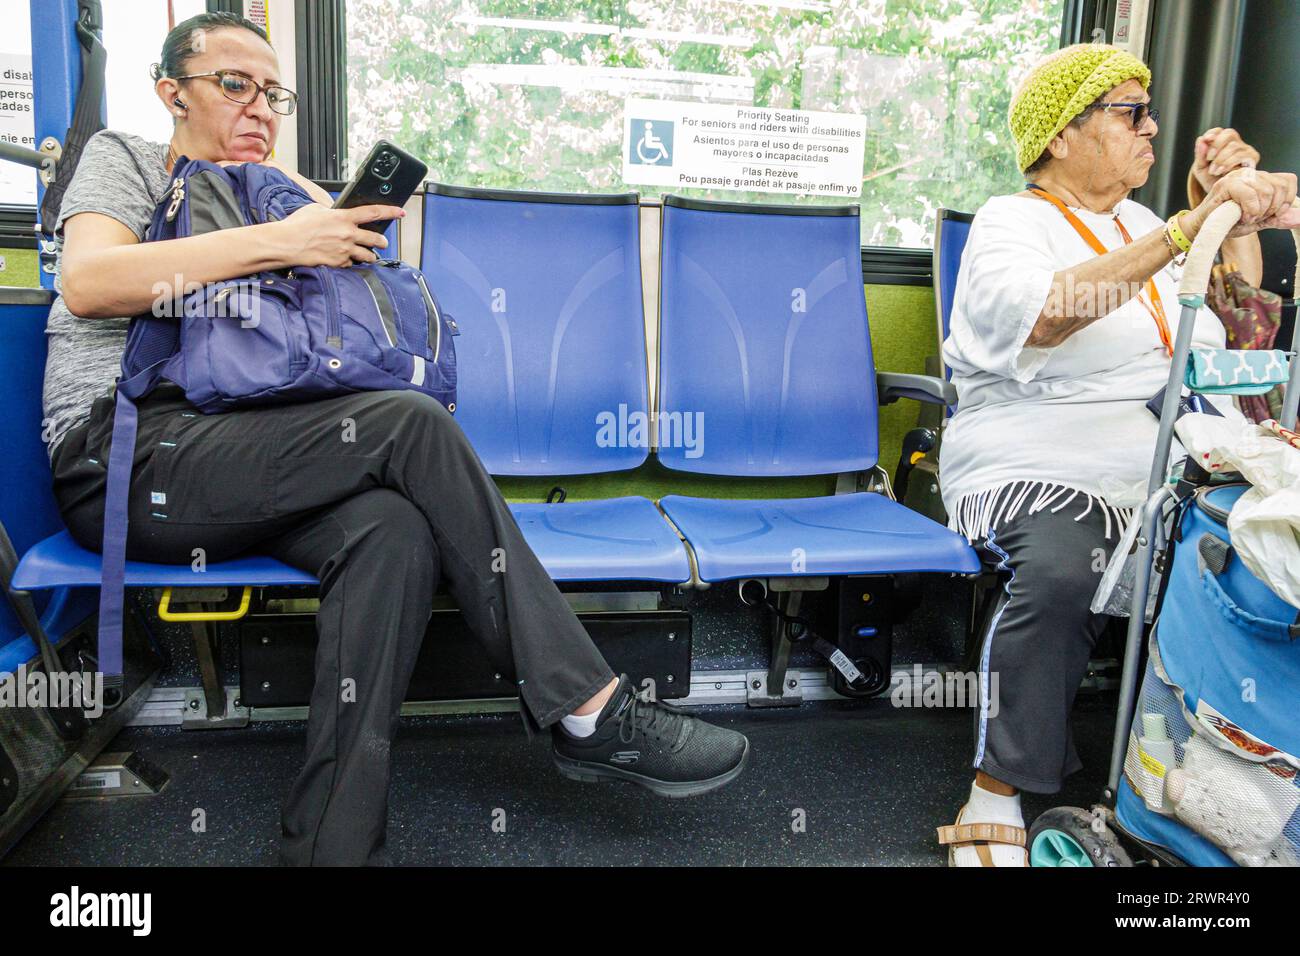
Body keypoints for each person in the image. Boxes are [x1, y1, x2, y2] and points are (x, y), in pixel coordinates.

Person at [47, 11, 749, 866]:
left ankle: (330, 852)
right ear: (172, 92)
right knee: (410, 427)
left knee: (395, 532)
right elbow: (87, 282)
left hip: (241, 453)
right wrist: (284, 239)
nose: (260, 108)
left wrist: (320, 233)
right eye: (235, 85)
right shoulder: (128, 159)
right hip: (125, 456)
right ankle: (590, 706)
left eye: (274, 94)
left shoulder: (271, 189)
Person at [936, 43, 1298, 867]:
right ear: (1062, 136)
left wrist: (1230, 218)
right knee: (1067, 568)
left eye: (1148, 110)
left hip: (1174, 450)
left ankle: (1213, 776)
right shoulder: (1011, 222)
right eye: (1130, 112)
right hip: (1040, 451)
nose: (1152, 127)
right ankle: (997, 789)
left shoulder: (1142, 225)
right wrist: (1183, 229)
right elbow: (1051, 314)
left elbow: (1245, 333)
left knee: (1261, 560)